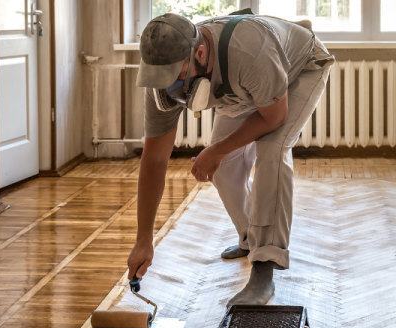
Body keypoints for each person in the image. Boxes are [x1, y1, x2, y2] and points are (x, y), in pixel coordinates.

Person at [127, 10, 333, 305]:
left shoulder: (249, 50)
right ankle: (251, 239)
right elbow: (154, 161)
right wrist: (143, 239)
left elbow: (274, 117)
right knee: (222, 168)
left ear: (199, 53)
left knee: (272, 150)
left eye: (177, 77)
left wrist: (217, 149)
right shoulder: (161, 82)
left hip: (298, 68)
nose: (170, 88)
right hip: (244, 84)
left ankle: (265, 268)